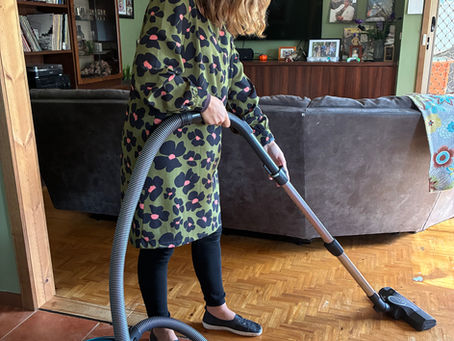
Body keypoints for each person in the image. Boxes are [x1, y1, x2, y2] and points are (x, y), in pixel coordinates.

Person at [120, 0, 289, 340]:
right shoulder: (174, 4)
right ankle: (162, 329)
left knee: (209, 228)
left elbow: (237, 85)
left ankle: (216, 310)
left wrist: (267, 140)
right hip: (161, 149)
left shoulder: (219, 20)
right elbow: (149, 73)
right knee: (160, 243)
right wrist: (201, 99)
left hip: (201, 149)